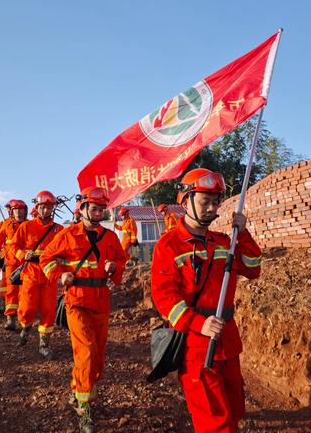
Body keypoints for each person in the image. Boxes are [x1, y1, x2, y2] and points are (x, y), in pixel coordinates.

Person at [151, 168, 262, 433]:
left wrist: (243, 234)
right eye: (205, 202)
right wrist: (198, 323)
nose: (212, 208)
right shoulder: (169, 245)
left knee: (234, 411)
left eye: (216, 202)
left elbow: (253, 269)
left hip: (228, 341)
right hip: (196, 346)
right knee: (214, 423)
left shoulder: (225, 241)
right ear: (185, 201)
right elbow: (165, 298)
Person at [40, 186, 126, 433]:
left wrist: (114, 267)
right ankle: (85, 409)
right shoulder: (68, 235)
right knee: (86, 352)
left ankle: (77, 389)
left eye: (101, 209)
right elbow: (46, 258)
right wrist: (60, 274)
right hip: (76, 301)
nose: (98, 212)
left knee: (96, 358)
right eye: (94, 208)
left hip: (101, 301)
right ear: (83, 209)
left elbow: (121, 261)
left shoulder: (110, 237)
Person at [11, 190, 63, 359]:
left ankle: (44, 345)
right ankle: (25, 329)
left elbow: (67, 249)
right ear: (37, 208)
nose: (46, 210)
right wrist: (21, 255)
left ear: (53, 208)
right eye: (43, 207)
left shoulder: (59, 229)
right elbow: (13, 246)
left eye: (49, 207)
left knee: (48, 310)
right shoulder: (26, 227)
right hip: (31, 273)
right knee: (27, 308)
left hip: (50, 274)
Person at [0, 200, 28, 330]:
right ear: (11, 211)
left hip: (26, 263)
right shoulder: (6, 224)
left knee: (24, 292)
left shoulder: (30, 225)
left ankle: (23, 319)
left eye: (21, 209)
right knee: (11, 291)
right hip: (11, 262)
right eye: (16, 210)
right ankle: (10, 318)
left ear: (25, 211)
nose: (18, 212)